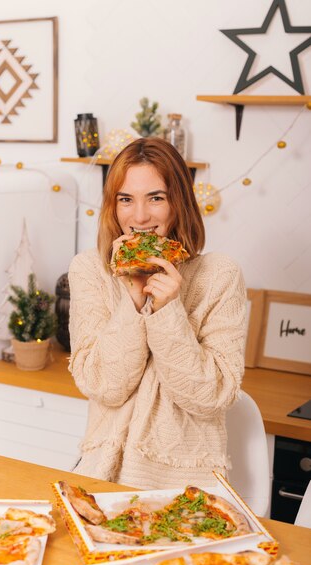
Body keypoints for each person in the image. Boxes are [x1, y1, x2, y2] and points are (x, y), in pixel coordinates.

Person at [68, 137, 246, 490]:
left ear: (178, 202)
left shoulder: (219, 275)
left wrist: (168, 311)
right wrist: (133, 298)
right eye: (126, 199)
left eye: (156, 198)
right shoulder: (90, 269)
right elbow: (105, 387)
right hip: (104, 475)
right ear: (112, 206)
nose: (139, 217)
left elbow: (212, 397)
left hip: (189, 482)